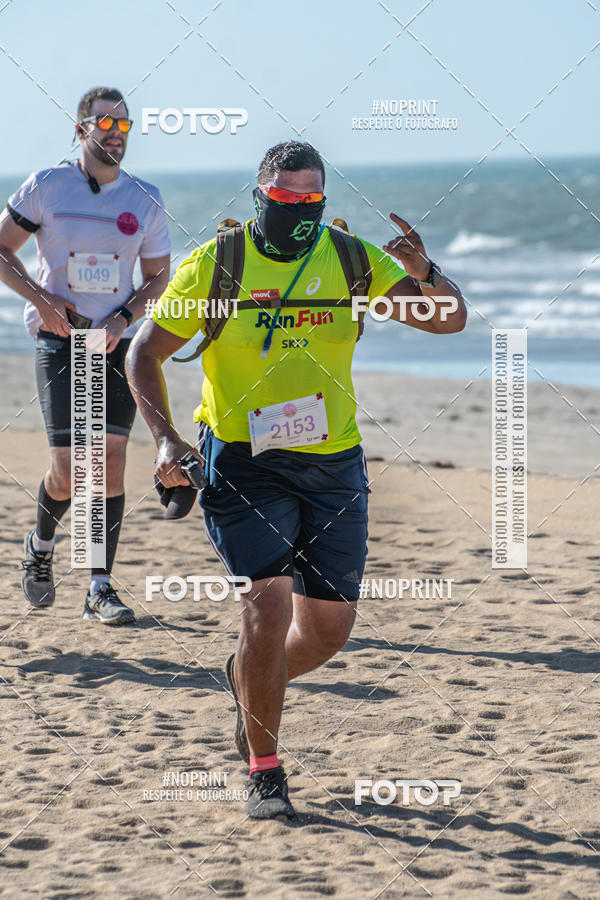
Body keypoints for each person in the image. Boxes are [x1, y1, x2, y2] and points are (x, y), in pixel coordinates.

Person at [125, 140, 466, 817]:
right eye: (285, 201)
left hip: (333, 461)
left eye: (312, 200)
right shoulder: (216, 266)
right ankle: (265, 769)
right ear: (260, 198)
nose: (300, 212)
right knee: (267, 606)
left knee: (330, 629)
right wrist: (166, 436)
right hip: (244, 460)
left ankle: (245, 681)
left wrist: (430, 274)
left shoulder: (348, 259)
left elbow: (448, 320)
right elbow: (143, 354)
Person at [0, 86, 171, 624]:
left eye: (124, 125)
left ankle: (99, 587)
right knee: (71, 471)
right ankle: (42, 543)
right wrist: (43, 300)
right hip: (60, 338)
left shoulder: (144, 199)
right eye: (106, 123)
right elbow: (2, 249)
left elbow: (160, 277)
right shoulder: (47, 186)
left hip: (113, 342)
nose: (116, 133)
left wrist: (126, 317)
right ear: (81, 130)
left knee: (110, 463)